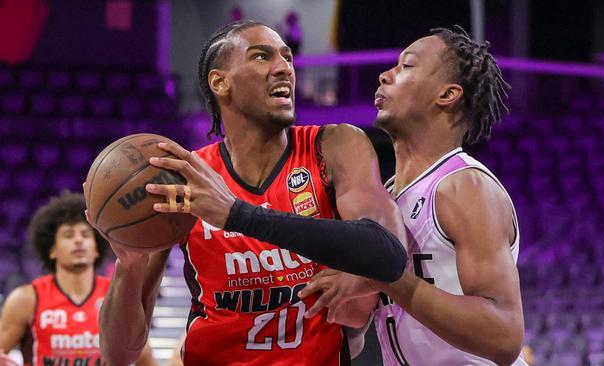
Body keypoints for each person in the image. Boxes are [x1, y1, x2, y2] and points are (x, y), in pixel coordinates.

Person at [95, 20, 407, 366]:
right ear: (220, 82)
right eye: (262, 56)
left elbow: (389, 253)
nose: (284, 68)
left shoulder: (334, 145)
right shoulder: (185, 177)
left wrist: (358, 276)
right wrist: (130, 264)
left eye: (287, 58)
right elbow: (118, 356)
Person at [300, 26, 528, 365]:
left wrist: (389, 280)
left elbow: (504, 335)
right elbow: (361, 324)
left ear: (447, 94)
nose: (385, 75)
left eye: (406, 66)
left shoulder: (463, 185)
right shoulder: (384, 199)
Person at [0, 191, 156, 366]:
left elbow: (145, 360)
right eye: (68, 235)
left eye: (85, 234)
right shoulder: (26, 299)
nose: (78, 241)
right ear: (51, 250)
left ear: (97, 248)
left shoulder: (118, 295)